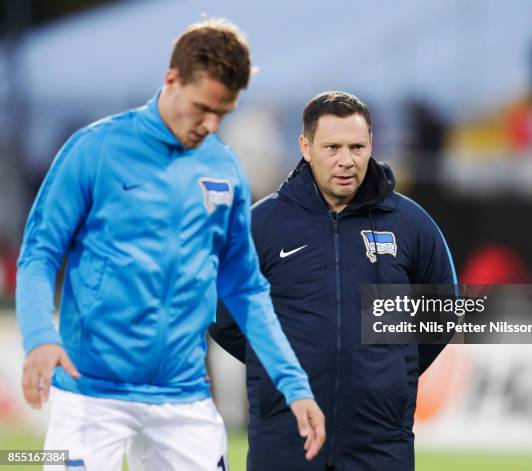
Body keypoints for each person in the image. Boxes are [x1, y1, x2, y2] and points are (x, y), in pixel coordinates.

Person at [16, 18, 324, 471]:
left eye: (224, 113)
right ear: (171, 80)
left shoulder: (224, 168)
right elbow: (39, 252)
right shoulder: (94, 150)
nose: (211, 123)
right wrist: (40, 336)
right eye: (203, 107)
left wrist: (293, 383)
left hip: (183, 397)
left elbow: (245, 287)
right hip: (91, 393)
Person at [211, 91, 457, 471]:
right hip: (285, 433)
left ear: (371, 145)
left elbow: (442, 313)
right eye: (333, 147)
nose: (346, 160)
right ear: (306, 147)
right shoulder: (261, 226)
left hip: (379, 438)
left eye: (357, 147)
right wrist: (277, 370)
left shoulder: (412, 225)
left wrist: (390, 373)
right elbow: (225, 317)